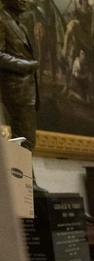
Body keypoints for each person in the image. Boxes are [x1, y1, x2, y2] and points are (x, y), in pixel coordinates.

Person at [0, 0, 40, 151]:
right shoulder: (1, 20)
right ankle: (22, 174)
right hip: (15, 90)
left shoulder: (19, 25)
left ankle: (23, 175)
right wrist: (26, 65)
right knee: (24, 142)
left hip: (24, 92)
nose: (25, 1)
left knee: (24, 142)